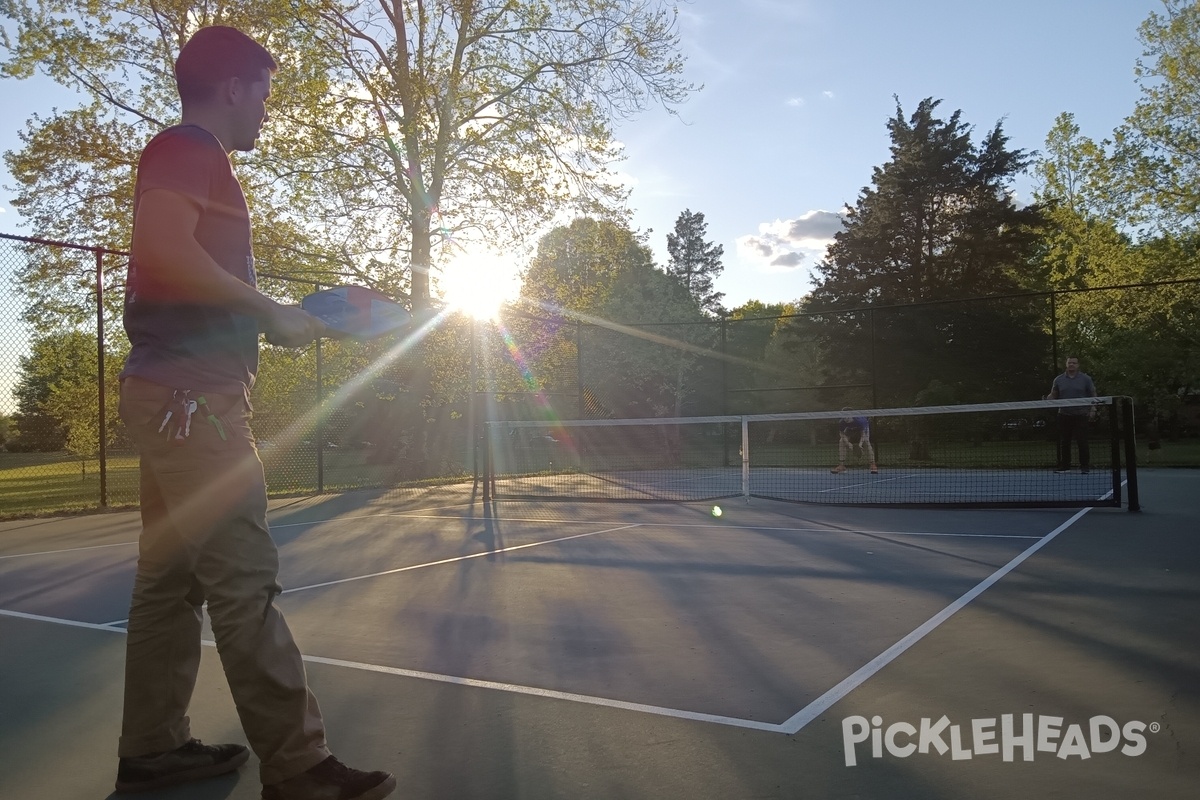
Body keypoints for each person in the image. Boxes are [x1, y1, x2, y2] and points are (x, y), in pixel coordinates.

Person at [114, 26, 396, 800]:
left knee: (169, 584)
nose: (268, 109)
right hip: (191, 402)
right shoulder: (187, 148)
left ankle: (151, 750)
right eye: (265, 92)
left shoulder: (193, 160)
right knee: (244, 582)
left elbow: (185, 276)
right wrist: (271, 309)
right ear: (234, 86)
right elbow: (163, 251)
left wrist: (275, 316)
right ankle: (300, 767)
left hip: (173, 392)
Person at [1045, 356, 1098, 474]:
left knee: (1082, 441)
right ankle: (1065, 466)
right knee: (1065, 441)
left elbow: (1093, 394)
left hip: (1081, 414)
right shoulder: (1058, 380)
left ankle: (1084, 466)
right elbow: (1053, 394)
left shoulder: (1086, 379)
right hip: (1064, 414)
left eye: (1074, 363)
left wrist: (1093, 409)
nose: (1071, 365)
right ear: (1066, 364)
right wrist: (1049, 398)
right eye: (1069, 363)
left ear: (1078, 365)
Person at [831, 409, 878, 474]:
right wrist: (848, 444)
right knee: (841, 441)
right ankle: (841, 466)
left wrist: (860, 445)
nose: (845, 418)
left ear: (851, 415)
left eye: (847, 416)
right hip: (850, 429)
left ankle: (873, 464)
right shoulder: (842, 422)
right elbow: (841, 433)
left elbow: (863, 434)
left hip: (862, 428)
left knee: (866, 441)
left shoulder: (860, 421)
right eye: (844, 416)